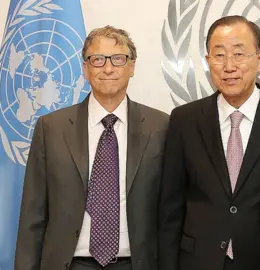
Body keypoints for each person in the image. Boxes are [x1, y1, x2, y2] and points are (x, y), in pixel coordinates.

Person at [158, 15, 260, 270]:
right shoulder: (184, 120)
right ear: (208, 62)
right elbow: (170, 210)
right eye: (219, 55)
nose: (229, 66)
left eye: (239, 54)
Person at [15, 26, 169, 270]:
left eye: (118, 59)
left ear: (132, 67)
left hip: (136, 263)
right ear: (85, 69)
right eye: (97, 60)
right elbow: (32, 214)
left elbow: (171, 212)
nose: (108, 68)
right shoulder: (51, 128)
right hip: (69, 264)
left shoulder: (161, 126)